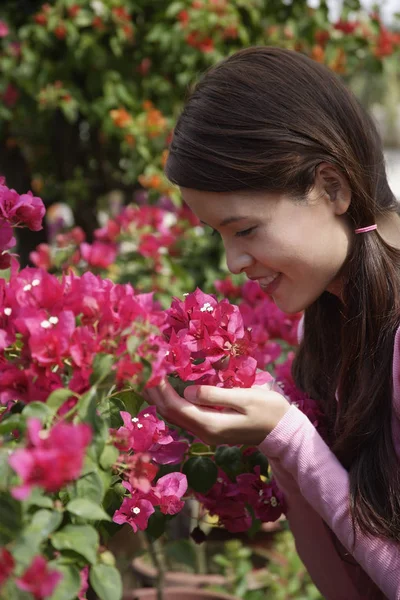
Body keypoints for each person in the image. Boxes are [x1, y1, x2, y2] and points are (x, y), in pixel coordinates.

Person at [145, 46, 400, 599]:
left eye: (245, 230)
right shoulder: (328, 324)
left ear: (332, 188)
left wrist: (289, 439)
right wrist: (277, 442)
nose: (232, 262)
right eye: (219, 235)